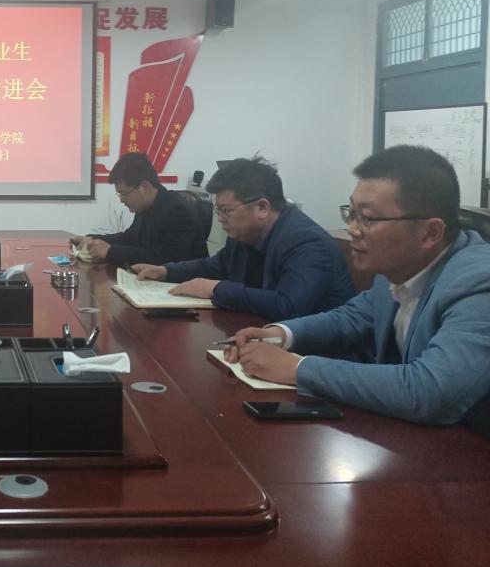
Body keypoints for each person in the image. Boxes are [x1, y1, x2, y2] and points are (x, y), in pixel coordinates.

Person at [226, 145, 490, 434]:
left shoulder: (479, 282)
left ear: (430, 233)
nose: (352, 229)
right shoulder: (397, 268)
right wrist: (281, 334)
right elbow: (350, 319)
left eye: (368, 218)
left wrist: (297, 369)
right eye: (351, 213)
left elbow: (430, 392)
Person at [133, 155, 354, 321]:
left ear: (262, 207)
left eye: (225, 210)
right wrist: (166, 271)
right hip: (260, 336)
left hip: (315, 356)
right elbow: (214, 266)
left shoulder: (307, 242)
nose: (220, 218)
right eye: (218, 210)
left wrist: (216, 289)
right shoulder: (244, 233)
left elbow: (287, 305)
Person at [70, 152, 207, 266]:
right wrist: (92, 239)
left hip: (185, 285)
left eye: (124, 193)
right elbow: (129, 238)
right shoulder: (146, 206)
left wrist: (110, 251)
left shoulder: (178, 211)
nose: (122, 200)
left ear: (144, 187)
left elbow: (166, 258)